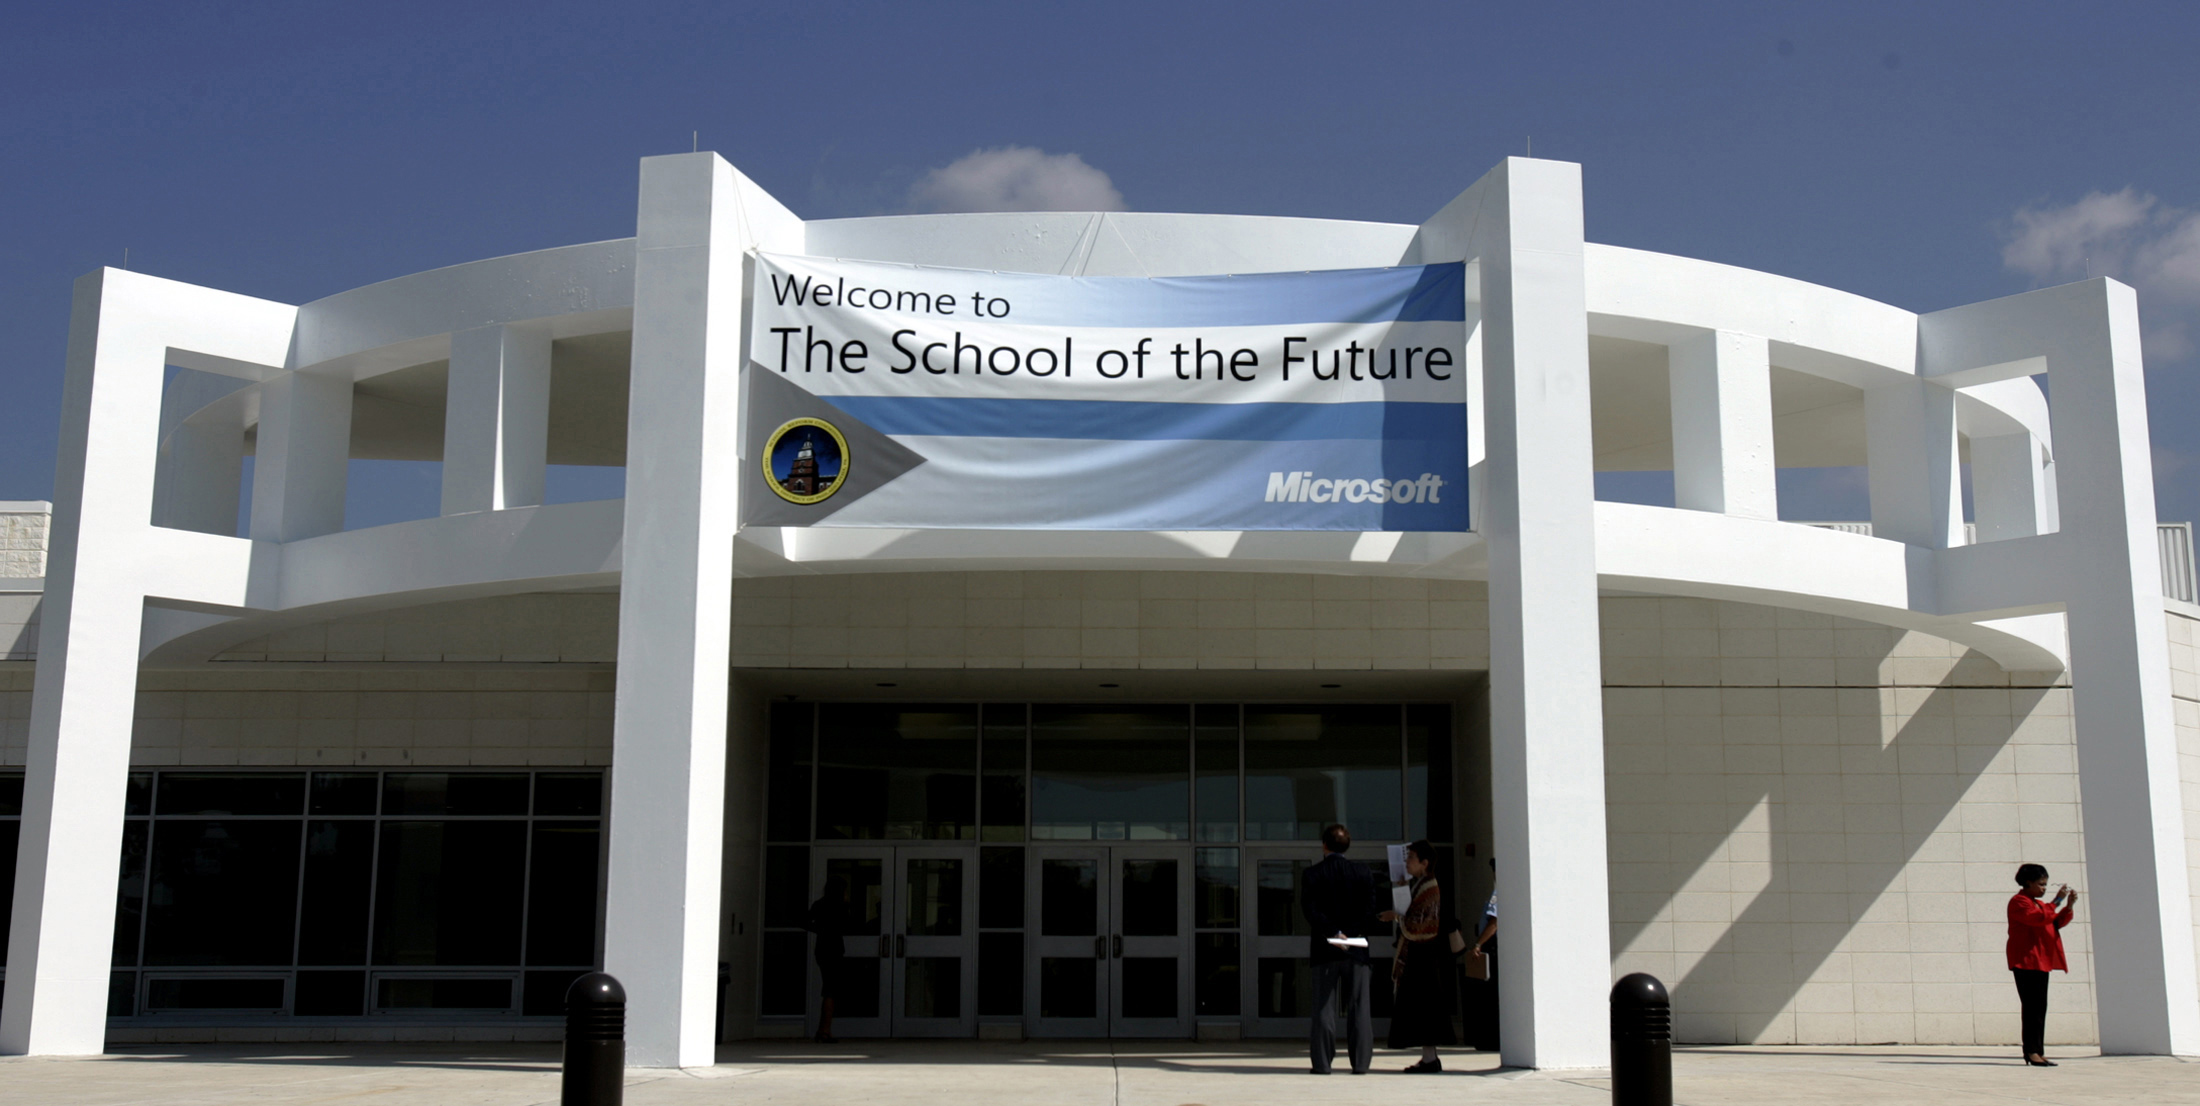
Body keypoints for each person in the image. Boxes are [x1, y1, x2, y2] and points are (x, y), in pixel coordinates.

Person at [1303, 822, 1382, 1074]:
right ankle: (1360, 1063)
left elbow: (1311, 911)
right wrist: (1351, 933)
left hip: (1325, 949)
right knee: (1359, 1008)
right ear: (1347, 846)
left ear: (1324, 845)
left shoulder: (1313, 874)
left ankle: (1323, 1064)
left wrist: (1334, 932)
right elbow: (1370, 910)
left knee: (1324, 1009)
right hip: (1356, 948)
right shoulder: (1362, 872)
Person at [1379, 839, 1457, 1071]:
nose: (1407, 862)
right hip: (1419, 956)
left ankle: (1430, 1058)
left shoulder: (1429, 888)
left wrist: (1395, 917)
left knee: (1426, 1010)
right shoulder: (1420, 885)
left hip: (1424, 957)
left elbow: (1421, 925)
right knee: (1422, 1011)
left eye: (1411, 858)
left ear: (1424, 863)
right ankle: (1429, 1057)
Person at [2006, 862, 2077, 1067]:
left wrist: (2068, 906)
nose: (2044, 889)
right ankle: (2031, 1051)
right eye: (2041, 884)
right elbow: (2038, 919)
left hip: (2040, 961)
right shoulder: (2019, 902)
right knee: (2031, 1008)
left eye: (2045, 885)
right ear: (2028, 883)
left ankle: (2037, 1050)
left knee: (2039, 1008)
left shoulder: (2037, 904)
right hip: (2026, 961)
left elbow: (2055, 922)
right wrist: (2057, 901)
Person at [806, 876, 851, 1044]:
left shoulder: (820, 904)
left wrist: (819, 930)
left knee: (829, 989)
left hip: (822, 948)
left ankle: (824, 1030)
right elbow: (847, 926)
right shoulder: (840, 906)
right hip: (834, 949)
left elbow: (805, 921)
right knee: (831, 990)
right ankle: (824, 1030)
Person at [1465, 857, 1499, 1051]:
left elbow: (1493, 923)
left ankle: (1491, 1039)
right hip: (1489, 945)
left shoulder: (1499, 893)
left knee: (1490, 996)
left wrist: (1478, 944)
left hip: (1491, 947)